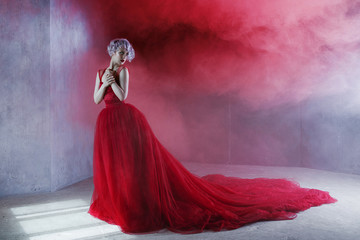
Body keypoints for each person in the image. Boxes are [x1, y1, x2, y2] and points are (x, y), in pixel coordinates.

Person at [88, 38, 337, 234]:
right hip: (107, 123)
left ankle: (135, 205)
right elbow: (98, 99)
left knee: (132, 167)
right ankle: (119, 203)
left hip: (127, 121)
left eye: (125, 54)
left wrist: (113, 81)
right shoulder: (102, 72)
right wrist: (103, 83)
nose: (122, 57)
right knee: (114, 167)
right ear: (112, 51)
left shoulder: (123, 72)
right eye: (119, 53)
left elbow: (122, 97)